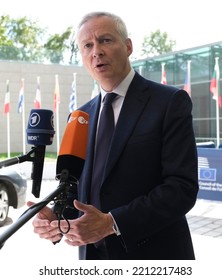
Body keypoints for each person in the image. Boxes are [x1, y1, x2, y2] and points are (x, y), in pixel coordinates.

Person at [28, 11, 199, 260]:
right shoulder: (80, 116)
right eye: (87, 45)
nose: (96, 51)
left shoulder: (169, 102)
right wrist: (56, 216)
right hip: (93, 258)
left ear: (128, 46)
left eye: (105, 40)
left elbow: (181, 188)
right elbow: (75, 188)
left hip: (153, 255)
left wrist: (112, 223)